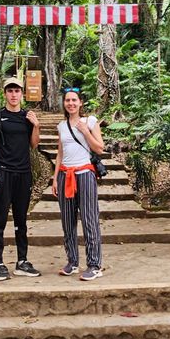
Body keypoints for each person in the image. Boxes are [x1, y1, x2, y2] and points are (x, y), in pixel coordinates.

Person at [0, 76, 42, 281]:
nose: (14, 94)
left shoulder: (27, 116)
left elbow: (33, 145)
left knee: (21, 219)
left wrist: (36, 126)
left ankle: (22, 261)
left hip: (23, 174)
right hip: (3, 172)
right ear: (5, 93)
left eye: (17, 91)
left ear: (22, 94)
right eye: (10, 91)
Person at [52, 87, 104, 281]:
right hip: (66, 175)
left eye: (74, 100)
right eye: (67, 100)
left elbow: (99, 148)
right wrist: (55, 178)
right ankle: (72, 262)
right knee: (67, 221)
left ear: (80, 103)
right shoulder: (61, 126)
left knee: (89, 219)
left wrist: (85, 131)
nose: (71, 103)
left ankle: (94, 264)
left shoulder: (90, 121)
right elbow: (60, 153)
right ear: (64, 104)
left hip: (85, 174)